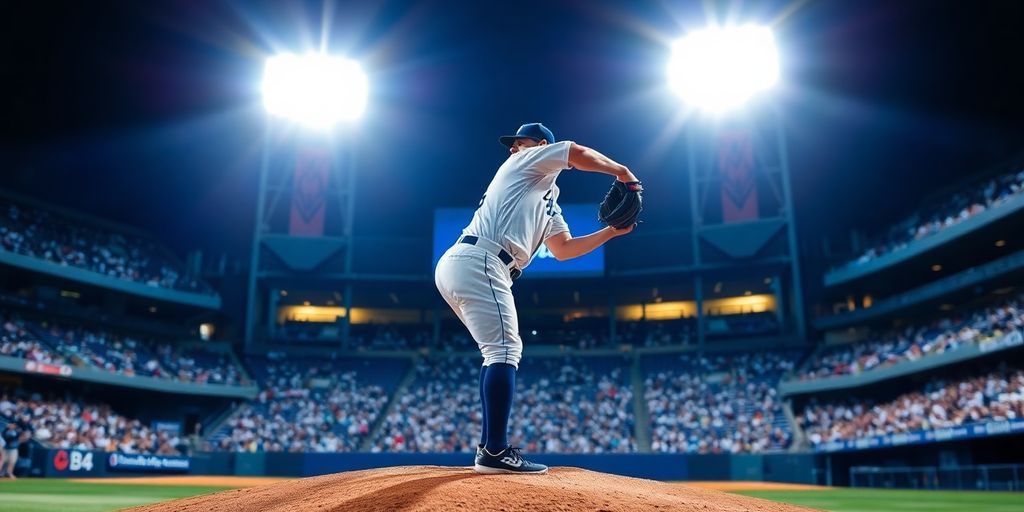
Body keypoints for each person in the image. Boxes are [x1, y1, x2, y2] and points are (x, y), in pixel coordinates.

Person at [434, 122, 639, 474]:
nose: (514, 148)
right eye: (513, 144)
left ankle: (490, 448)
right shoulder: (525, 162)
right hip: (481, 260)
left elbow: (563, 250)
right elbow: (575, 152)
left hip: (470, 263)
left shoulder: (547, 201)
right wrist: (623, 173)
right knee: (505, 351)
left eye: (520, 142)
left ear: (543, 144)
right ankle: (494, 453)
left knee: (497, 351)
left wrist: (610, 233)